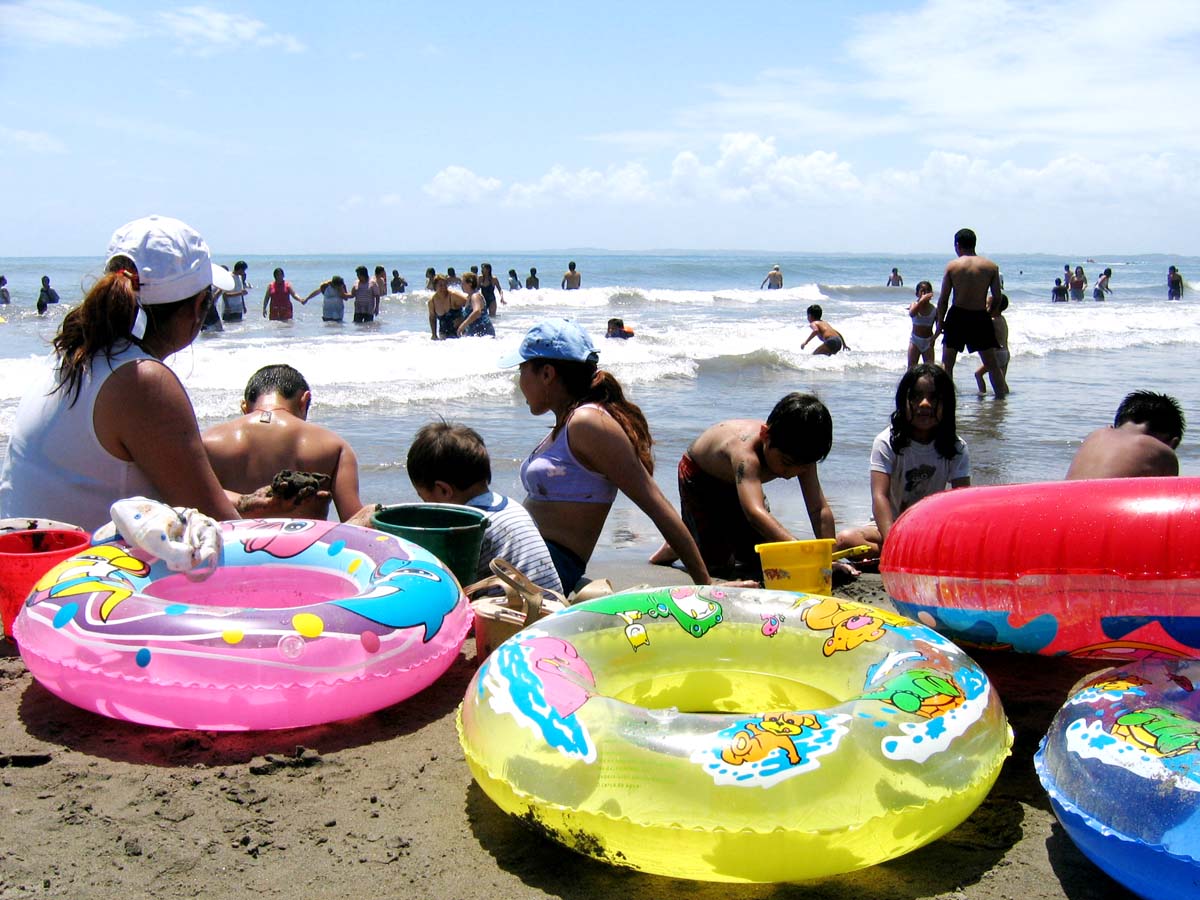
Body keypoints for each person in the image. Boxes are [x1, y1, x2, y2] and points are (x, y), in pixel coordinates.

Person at [0, 215, 303, 531]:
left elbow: (142, 487)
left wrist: (242, 501)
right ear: (199, 306)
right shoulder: (143, 382)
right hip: (75, 574)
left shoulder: (71, 355)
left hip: (28, 563)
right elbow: (221, 529)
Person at [502, 318, 720, 592]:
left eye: (522, 369)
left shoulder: (587, 423)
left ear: (547, 374)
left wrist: (706, 584)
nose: (518, 381)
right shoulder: (568, 424)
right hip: (532, 557)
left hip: (550, 565)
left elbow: (655, 503)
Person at [648, 393, 839, 582]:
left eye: (803, 467)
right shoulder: (746, 455)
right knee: (719, 565)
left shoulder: (801, 452)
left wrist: (829, 558)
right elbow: (754, 513)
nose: (792, 473)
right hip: (701, 478)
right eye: (786, 463)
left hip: (740, 485)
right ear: (765, 435)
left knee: (761, 558)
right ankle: (682, 542)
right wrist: (798, 548)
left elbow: (818, 509)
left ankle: (696, 535)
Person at [407, 421, 562, 593]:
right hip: (552, 608)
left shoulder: (470, 527)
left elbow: (450, 584)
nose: (426, 506)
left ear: (444, 490)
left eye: (425, 499)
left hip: (518, 616)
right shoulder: (512, 507)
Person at [835, 364, 970, 557]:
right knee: (845, 540)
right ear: (903, 401)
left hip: (931, 531)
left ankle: (908, 555)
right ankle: (903, 554)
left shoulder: (956, 447)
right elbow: (879, 496)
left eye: (934, 398)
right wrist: (893, 542)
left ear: (947, 404)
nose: (925, 404)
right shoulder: (886, 442)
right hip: (889, 526)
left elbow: (962, 503)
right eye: (916, 396)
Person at [203, 364, 363, 521]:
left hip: (230, 545)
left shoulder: (206, 442)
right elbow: (355, 522)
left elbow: (186, 503)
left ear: (244, 407)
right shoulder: (335, 446)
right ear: (304, 401)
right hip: (304, 545)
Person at [935, 227, 1008, 397]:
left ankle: (947, 400)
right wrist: (988, 313)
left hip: (957, 315)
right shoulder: (990, 267)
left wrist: (940, 322)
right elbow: (997, 296)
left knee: (948, 363)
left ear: (957, 245)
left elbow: (943, 299)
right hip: (979, 315)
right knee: (991, 364)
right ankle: (1001, 402)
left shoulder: (953, 266)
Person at [1066, 391, 1185, 480]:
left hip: (1060, 503)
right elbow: (1166, 499)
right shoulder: (1163, 452)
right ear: (1172, 443)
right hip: (1103, 511)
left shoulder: (1095, 436)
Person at [975, 295, 1010, 393]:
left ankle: (982, 394)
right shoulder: (1002, 319)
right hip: (1006, 353)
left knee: (978, 374)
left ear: (995, 307)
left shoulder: (992, 321)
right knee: (1001, 380)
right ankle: (1004, 399)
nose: (985, 307)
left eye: (987, 305)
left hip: (997, 354)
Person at [427, 274, 466, 340]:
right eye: (440, 285)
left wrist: (462, 319)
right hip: (443, 334)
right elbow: (432, 318)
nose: (443, 288)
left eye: (445, 284)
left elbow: (470, 306)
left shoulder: (453, 296)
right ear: (435, 286)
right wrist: (434, 334)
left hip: (460, 332)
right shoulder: (432, 301)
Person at [908, 281, 937, 366]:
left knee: (930, 369)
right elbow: (912, 313)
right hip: (915, 340)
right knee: (911, 368)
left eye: (927, 291)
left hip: (928, 341)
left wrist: (934, 337)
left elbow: (939, 326)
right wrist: (921, 301)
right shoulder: (914, 304)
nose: (925, 293)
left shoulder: (934, 309)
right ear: (917, 294)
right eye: (922, 291)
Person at [458, 272, 495, 337]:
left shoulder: (475, 296)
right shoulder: (469, 297)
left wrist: (463, 325)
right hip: (475, 333)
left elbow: (477, 311)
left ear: (470, 284)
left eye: (463, 283)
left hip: (483, 332)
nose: (461, 285)